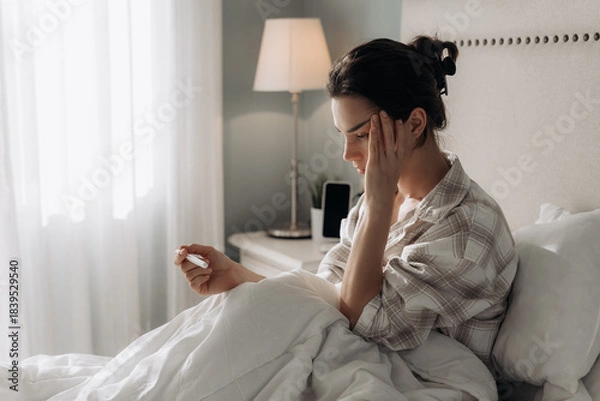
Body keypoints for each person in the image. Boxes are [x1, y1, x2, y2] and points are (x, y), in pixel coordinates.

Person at [174, 35, 517, 374]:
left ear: (414, 124)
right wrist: (237, 276)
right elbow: (327, 301)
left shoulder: (469, 227)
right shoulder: (374, 201)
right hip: (356, 363)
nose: (347, 154)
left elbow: (363, 318)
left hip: (426, 383)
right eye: (343, 135)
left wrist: (380, 204)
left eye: (362, 135)